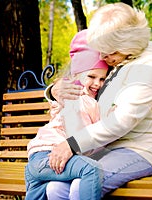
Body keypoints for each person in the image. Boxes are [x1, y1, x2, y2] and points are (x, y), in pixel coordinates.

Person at [45, 2, 152, 199]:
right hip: (108, 149)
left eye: (110, 51)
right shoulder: (119, 62)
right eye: (101, 50)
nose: (104, 57)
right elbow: (81, 86)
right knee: (55, 188)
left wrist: (72, 144)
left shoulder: (149, 69)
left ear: (128, 44)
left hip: (144, 151)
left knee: (82, 185)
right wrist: (53, 91)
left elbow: (120, 122)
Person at [24, 29, 109, 200]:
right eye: (91, 76)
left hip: (36, 160)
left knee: (48, 191)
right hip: (49, 155)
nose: (97, 84)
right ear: (77, 74)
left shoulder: (68, 96)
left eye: (102, 79)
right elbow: (82, 139)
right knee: (91, 170)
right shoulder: (83, 101)